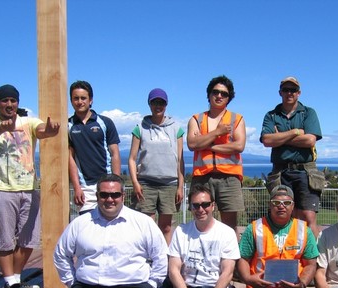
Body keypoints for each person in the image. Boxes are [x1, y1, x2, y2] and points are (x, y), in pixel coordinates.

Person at [0, 84, 60, 288]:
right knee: (5, 239)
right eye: (5, 100)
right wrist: (3, 128)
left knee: (28, 239)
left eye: (13, 100)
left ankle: (15, 278)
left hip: (29, 189)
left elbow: (41, 129)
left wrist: (50, 130)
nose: (10, 104)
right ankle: (9, 282)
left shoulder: (28, 122)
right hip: (1, 189)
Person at [260, 76, 323, 238]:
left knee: (308, 218)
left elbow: (310, 140)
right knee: (283, 216)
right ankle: (287, 256)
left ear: (299, 93)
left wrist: (279, 138)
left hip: (305, 172)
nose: (289, 93)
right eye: (286, 90)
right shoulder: (271, 115)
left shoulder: (309, 113)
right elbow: (267, 140)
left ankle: (312, 259)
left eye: (293, 90)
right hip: (280, 173)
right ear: (280, 92)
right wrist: (295, 132)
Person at [187, 75, 246, 233]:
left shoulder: (237, 119)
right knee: (201, 223)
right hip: (202, 177)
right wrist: (218, 132)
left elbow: (239, 146)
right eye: (215, 92)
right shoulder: (196, 119)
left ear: (229, 98)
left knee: (230, 227)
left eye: (224, 93)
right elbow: (192, 144)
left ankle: (230, 258)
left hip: (229, 178)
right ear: (209, 94)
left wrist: (207, 144)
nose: (219, 96)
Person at [128, 88, 184, 244]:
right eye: (155, 102)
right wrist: (135, 183)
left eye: (161, 102)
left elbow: (180, 160)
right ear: (149, 104)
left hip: (169, 185)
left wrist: (180, 186)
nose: (158, 106)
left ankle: (166, 262)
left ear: (166, 105)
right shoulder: (140, 128)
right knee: (147, 228)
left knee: (166, 227)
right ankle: (148, 261)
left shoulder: (176, 129)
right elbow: (132, 159)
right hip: (146, 184)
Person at [68, 80, 121, 214]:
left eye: (83, 98)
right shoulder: (68, 126)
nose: (80, 102)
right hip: (85, 187)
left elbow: (114, 153)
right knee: (88, 229)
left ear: (90, 100)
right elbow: (70, 158)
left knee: (111, 228)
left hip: (107, 184)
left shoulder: (105, 122)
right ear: (71, 101)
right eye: (76, 98)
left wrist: (116, 183)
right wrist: (77, 187)